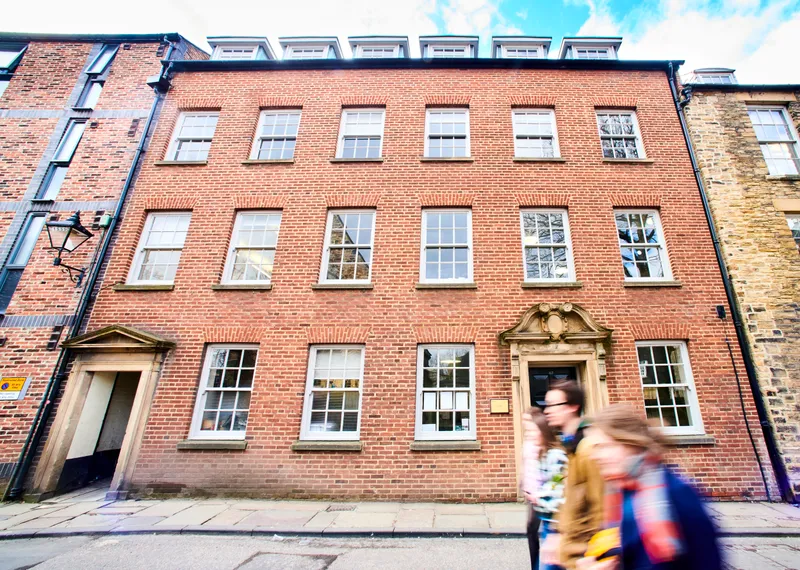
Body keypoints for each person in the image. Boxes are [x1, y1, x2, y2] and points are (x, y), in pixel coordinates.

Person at [579, 404, 722, 570]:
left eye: (604, 447)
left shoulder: (677, 493)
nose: (595, 456)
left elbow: (705, 560)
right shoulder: (620, 491)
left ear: (631, 443)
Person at [541, 380, 605, 570]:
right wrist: (555, 533)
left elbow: (601, 509)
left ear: (573, 407)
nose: (546, 411)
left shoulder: (589, 449)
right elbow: (567, 498)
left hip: (583, 556)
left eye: (553, 405)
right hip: (566, 551)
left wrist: (597, 555)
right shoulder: (569, 446)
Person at [521, 407, 568, 570]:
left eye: (533, 430)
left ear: (543, 431)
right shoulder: (541, 452)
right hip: (548, 519)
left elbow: (556, 486)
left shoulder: (555, 456)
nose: (530, 434)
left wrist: (538, 496)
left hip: (554, 522)